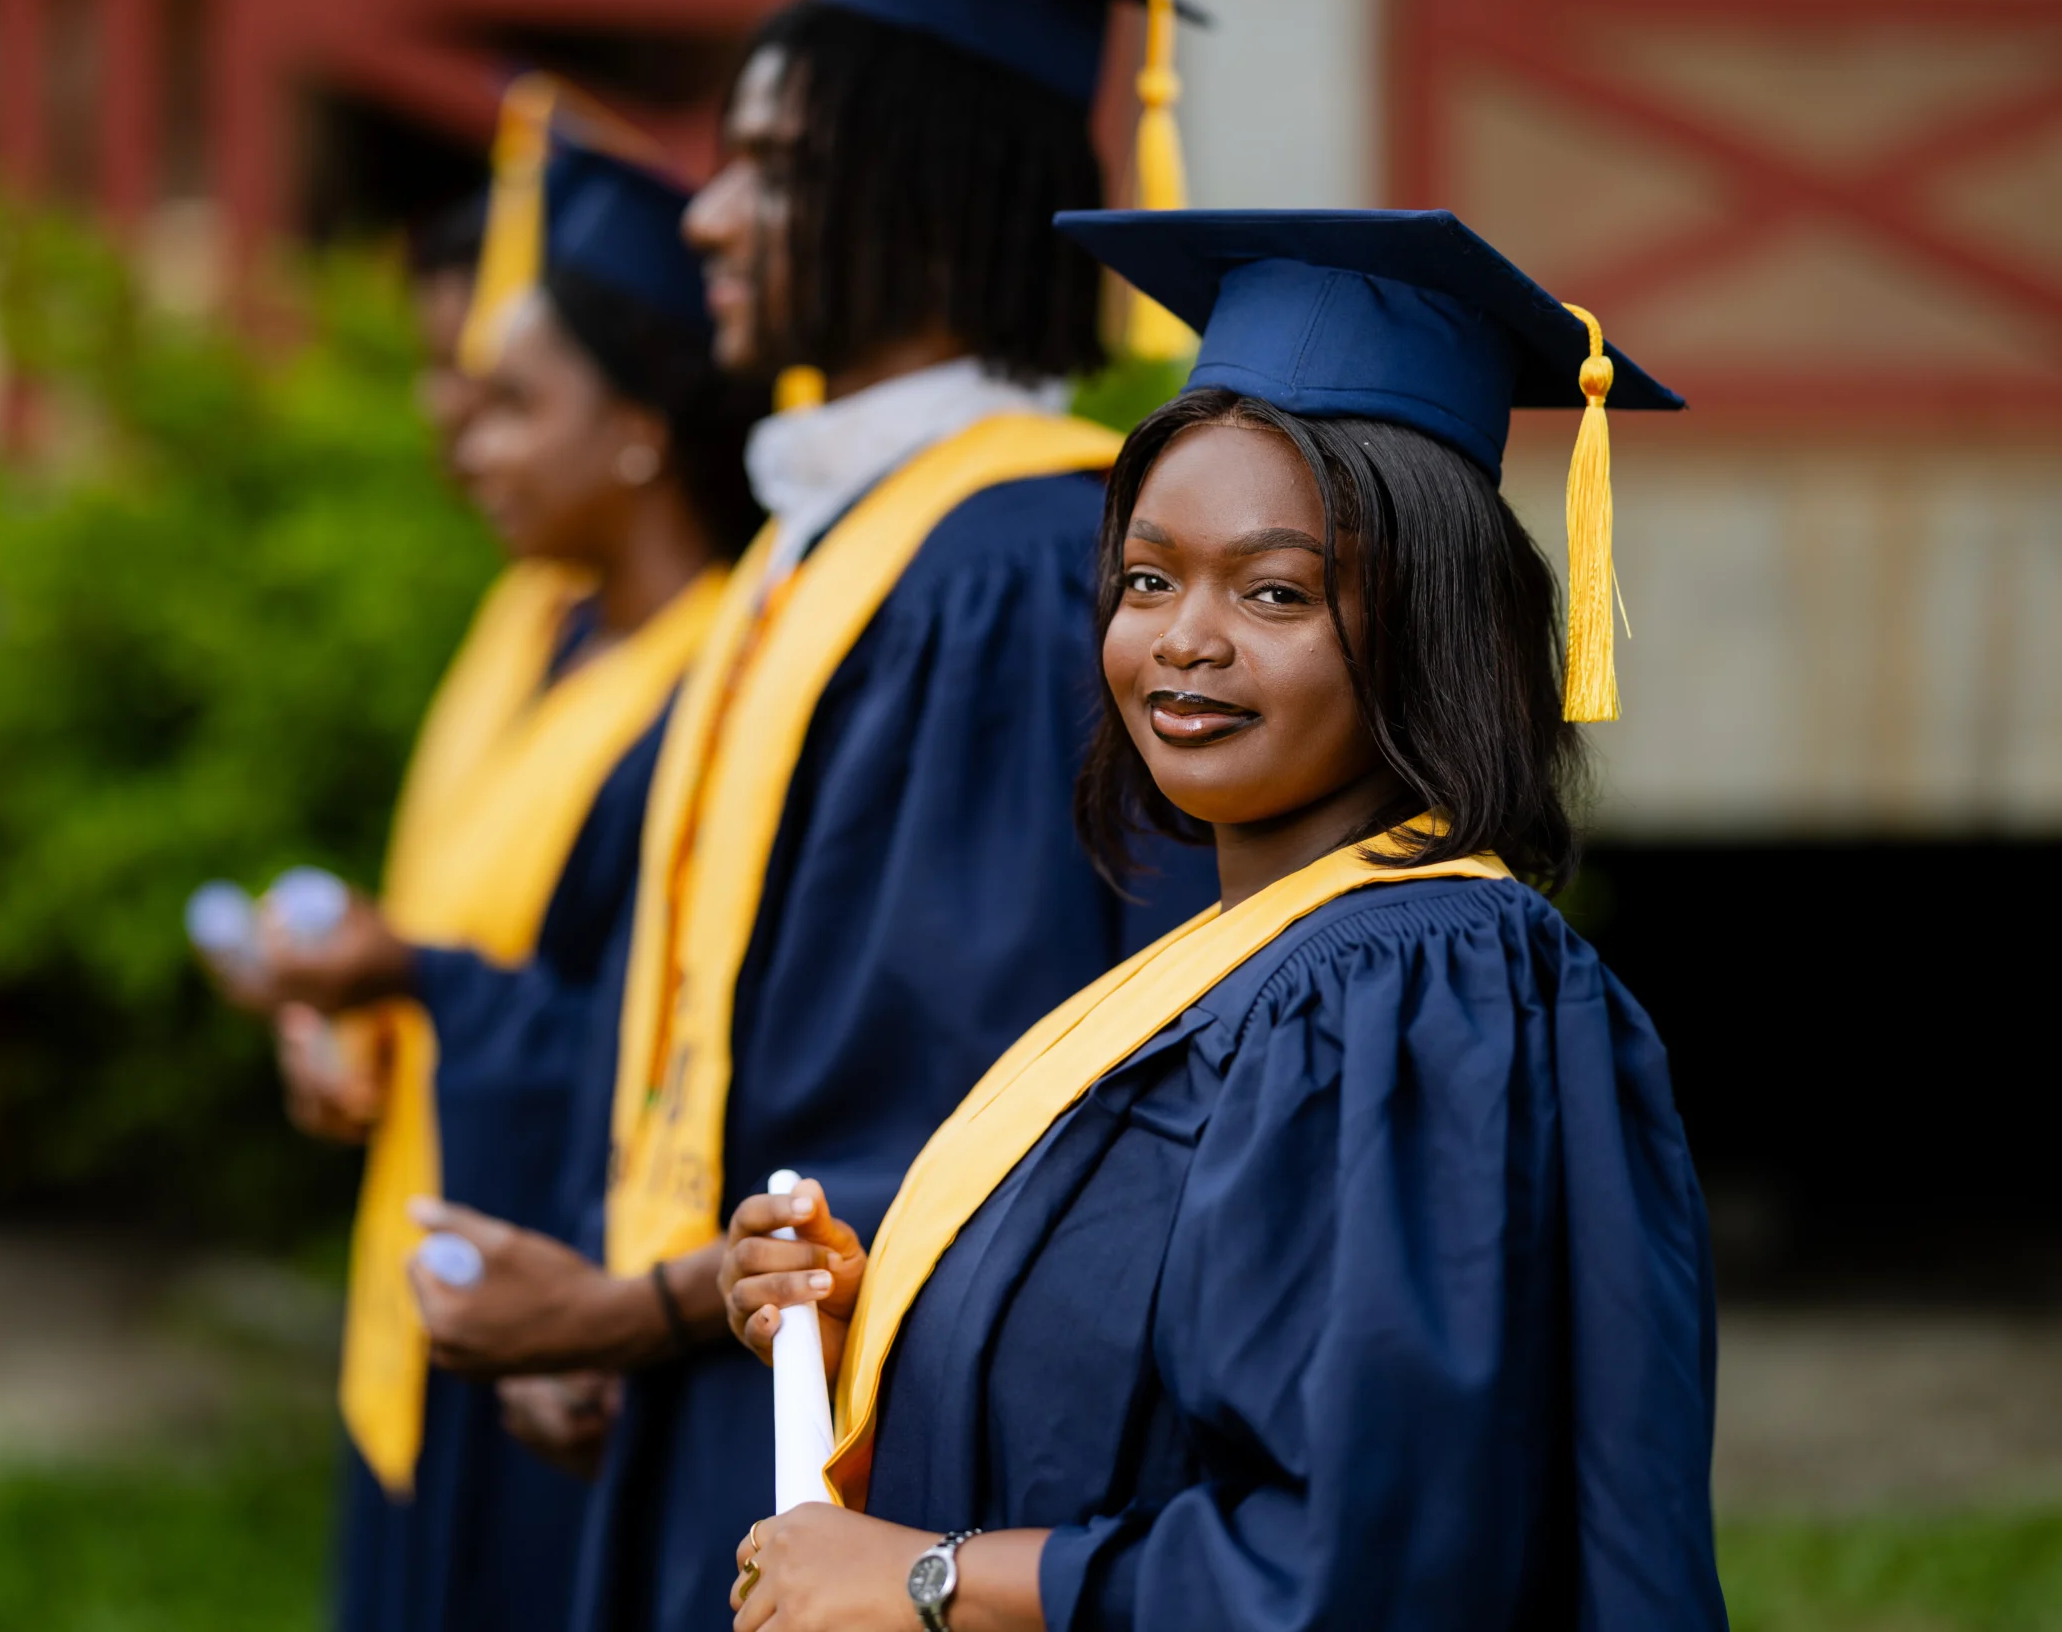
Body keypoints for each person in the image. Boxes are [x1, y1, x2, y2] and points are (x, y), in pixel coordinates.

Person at [262, 0, 1223, 1629]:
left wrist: (635, 1310)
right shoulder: (812, 557)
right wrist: (612, 1282)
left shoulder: (1006, 566)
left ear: (919, 197)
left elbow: (956, 1100)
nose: (704, 214)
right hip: (726, 1384)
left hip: (874, 1448)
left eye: (770, 166)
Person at [715, 207, 1726, 1632]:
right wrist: (885, 1313)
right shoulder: (1234, 965)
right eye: (1146, 576)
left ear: (1436, 626)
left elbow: (1366, 1557)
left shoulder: (1419, 987)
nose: (1185, 638)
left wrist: (929, 1580)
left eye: (1275, 591)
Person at [208, 95, 766, 1632]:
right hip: (425, 1266)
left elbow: (632, 1024)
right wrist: (350, 1018)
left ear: (643, 418)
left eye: (507, 400)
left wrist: (407, 973)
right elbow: (457, 924)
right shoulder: (526, 621)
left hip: (567, 1303)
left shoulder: (723, 684)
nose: (458, 441)